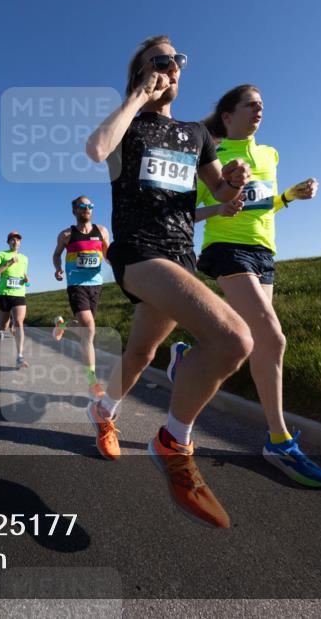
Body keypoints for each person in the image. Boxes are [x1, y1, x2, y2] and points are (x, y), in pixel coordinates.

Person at [84, 35, 253, 528]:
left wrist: (234, 183)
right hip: (138, 254)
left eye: (177, 60)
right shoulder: (128, 127)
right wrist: (137, 96)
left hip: (181, 255)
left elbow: (218, 191)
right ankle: (173, 442)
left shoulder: (196, 135)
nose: (172, 67)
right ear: (141, 72)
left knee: (141, 354)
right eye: (160, 61)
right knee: (232, 338)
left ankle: (103, 411)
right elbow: (96, 149)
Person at [174, 84, 321, 488]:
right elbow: (185, 213)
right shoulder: (208, 154)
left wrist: (289, 196)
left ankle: (187, 357)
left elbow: (263, 203)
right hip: (226, 248)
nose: (260, 109)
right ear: (228, 115)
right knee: (274, 339)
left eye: (263, 104)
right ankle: (279, 442)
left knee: (252, 339)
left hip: (264, 252)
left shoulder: (270, 154)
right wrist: (220, 204)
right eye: (252, 104)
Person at [51, 195, 110, 398]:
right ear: (74, 210)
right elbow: (56, 254)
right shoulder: (66, 234)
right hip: (76, 285)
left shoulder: (102, 231)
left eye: (90, 205)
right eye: (82, 206)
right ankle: (92, 381)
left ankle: (62, 325)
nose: (87, 208)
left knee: (85, 330)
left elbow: (107, 254)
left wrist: (120, 267)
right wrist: (58, 269)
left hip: (96, 285)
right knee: (90, 329)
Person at [0, 232, 30, 369]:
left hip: (19, 293)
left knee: (19, 322)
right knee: (5, 325)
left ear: (20, 243)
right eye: (12, 240)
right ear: (8, 242)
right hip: (4, 294)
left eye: (18, 240)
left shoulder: (25, 258)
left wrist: (26, 278)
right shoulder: (1, 254)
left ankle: (19, 356)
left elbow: (23, 273)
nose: (15, 242)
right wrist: (8, 263)